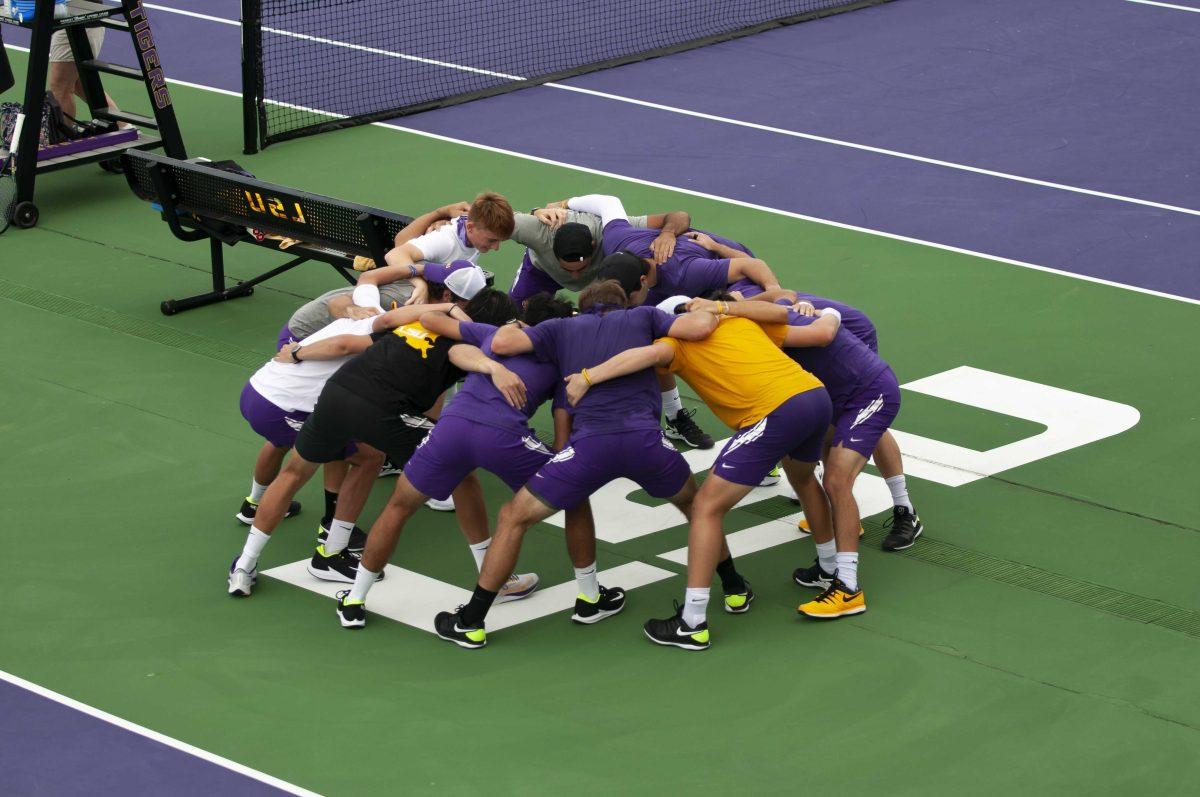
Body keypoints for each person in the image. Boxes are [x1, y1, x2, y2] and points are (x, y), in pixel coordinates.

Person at [429, 280, 722, 649]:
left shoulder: (560, 331)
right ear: (626, 303)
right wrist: (720, 308)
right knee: (701, 511)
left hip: (590, 449)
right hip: (648, 443)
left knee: (513, 517)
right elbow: (698, 327)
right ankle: (735, 586)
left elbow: (500, 343)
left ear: (582, 309)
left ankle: (471, 621)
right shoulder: (645, 316)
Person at [563, 295, 839, 648]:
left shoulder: (673, 344)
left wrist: (588, 375)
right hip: (815, 396)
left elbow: (644, 357)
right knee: (802, 478)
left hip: (775, 410)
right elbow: (785, 317)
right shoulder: (741, 322)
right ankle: (829, 568)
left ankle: (692, 622)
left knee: (706, 507)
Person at [227, 287, 522, 597]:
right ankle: (496, 576)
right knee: (462, 476)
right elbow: (458, 355)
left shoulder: (414, 321)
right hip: (380, 409)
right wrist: (493, 363)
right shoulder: (470, 343)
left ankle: (248, 564)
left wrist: (298, 351)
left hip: (336, 394)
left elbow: (350, 329)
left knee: (335, 464)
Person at [332, 293, 577, 628]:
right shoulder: (560, 360)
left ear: (522, 320)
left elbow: (435, 326)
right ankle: (590, 592)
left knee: (401, 506)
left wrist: (481, 346)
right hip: (504, 438)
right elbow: (564, 437)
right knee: (572, 496)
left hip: (452, 430)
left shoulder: (493, 335)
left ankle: (355, 600)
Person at [238, 301, 463, 572]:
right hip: (282, 406)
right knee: (363, 458)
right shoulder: (375, 336)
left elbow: (359, 295)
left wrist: (446, 305)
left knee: (333, 446)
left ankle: (255, 520)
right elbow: (342, 346)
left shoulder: (367, 313)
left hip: (258, 390)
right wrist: (298, 353)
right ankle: (328, 548)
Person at [750, 289, 923, 550]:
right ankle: (839, 509)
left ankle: (905, 510)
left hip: (851, 340)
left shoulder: (734, 304)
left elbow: (782, 294)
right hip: (816, 352)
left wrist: (824, 312)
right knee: (826, 426)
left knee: (867, 425)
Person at [506, 203, 691, 305]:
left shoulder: (612, 230)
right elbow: (485, 216)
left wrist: (668, 233)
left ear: (594, 245)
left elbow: (680, 215)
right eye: (568, 270)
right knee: (514, 314)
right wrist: (535, 210)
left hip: (601, 280)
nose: (575, 277)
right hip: (542, 273)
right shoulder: (537, 231)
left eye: (581, 268)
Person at [356, 192, 515, 306]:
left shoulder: (476, 227)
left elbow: (400, 242)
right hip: (406, 296)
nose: (496, 247)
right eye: (492, 240)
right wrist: (420, 284)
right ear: (471, 228)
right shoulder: (445, 239)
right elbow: (395, 254)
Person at [47, 26, 121, 124]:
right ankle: (123, 126)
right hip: (78, 23)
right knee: (80, 84)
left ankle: (62, 136)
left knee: (61, 87)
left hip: (74, 23)